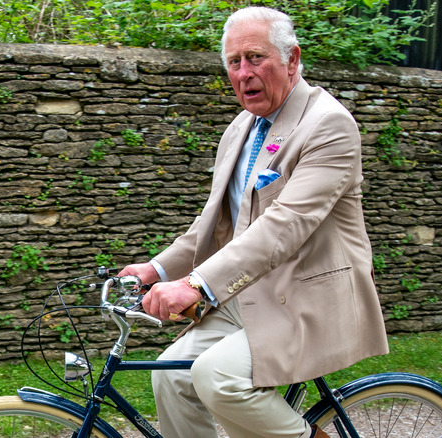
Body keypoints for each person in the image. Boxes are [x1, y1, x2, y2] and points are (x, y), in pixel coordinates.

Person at [118, 6, 389, 438]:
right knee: (169, 374)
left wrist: (191, 286)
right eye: (233, 61)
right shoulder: (241, 128)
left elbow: (284, 224)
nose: (244, 72)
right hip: (249, 293)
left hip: (308, 299)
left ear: (292, 59)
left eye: (256, 57)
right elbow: (218, 225)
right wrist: (158, 269)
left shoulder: (328, 124)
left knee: (217, 378)